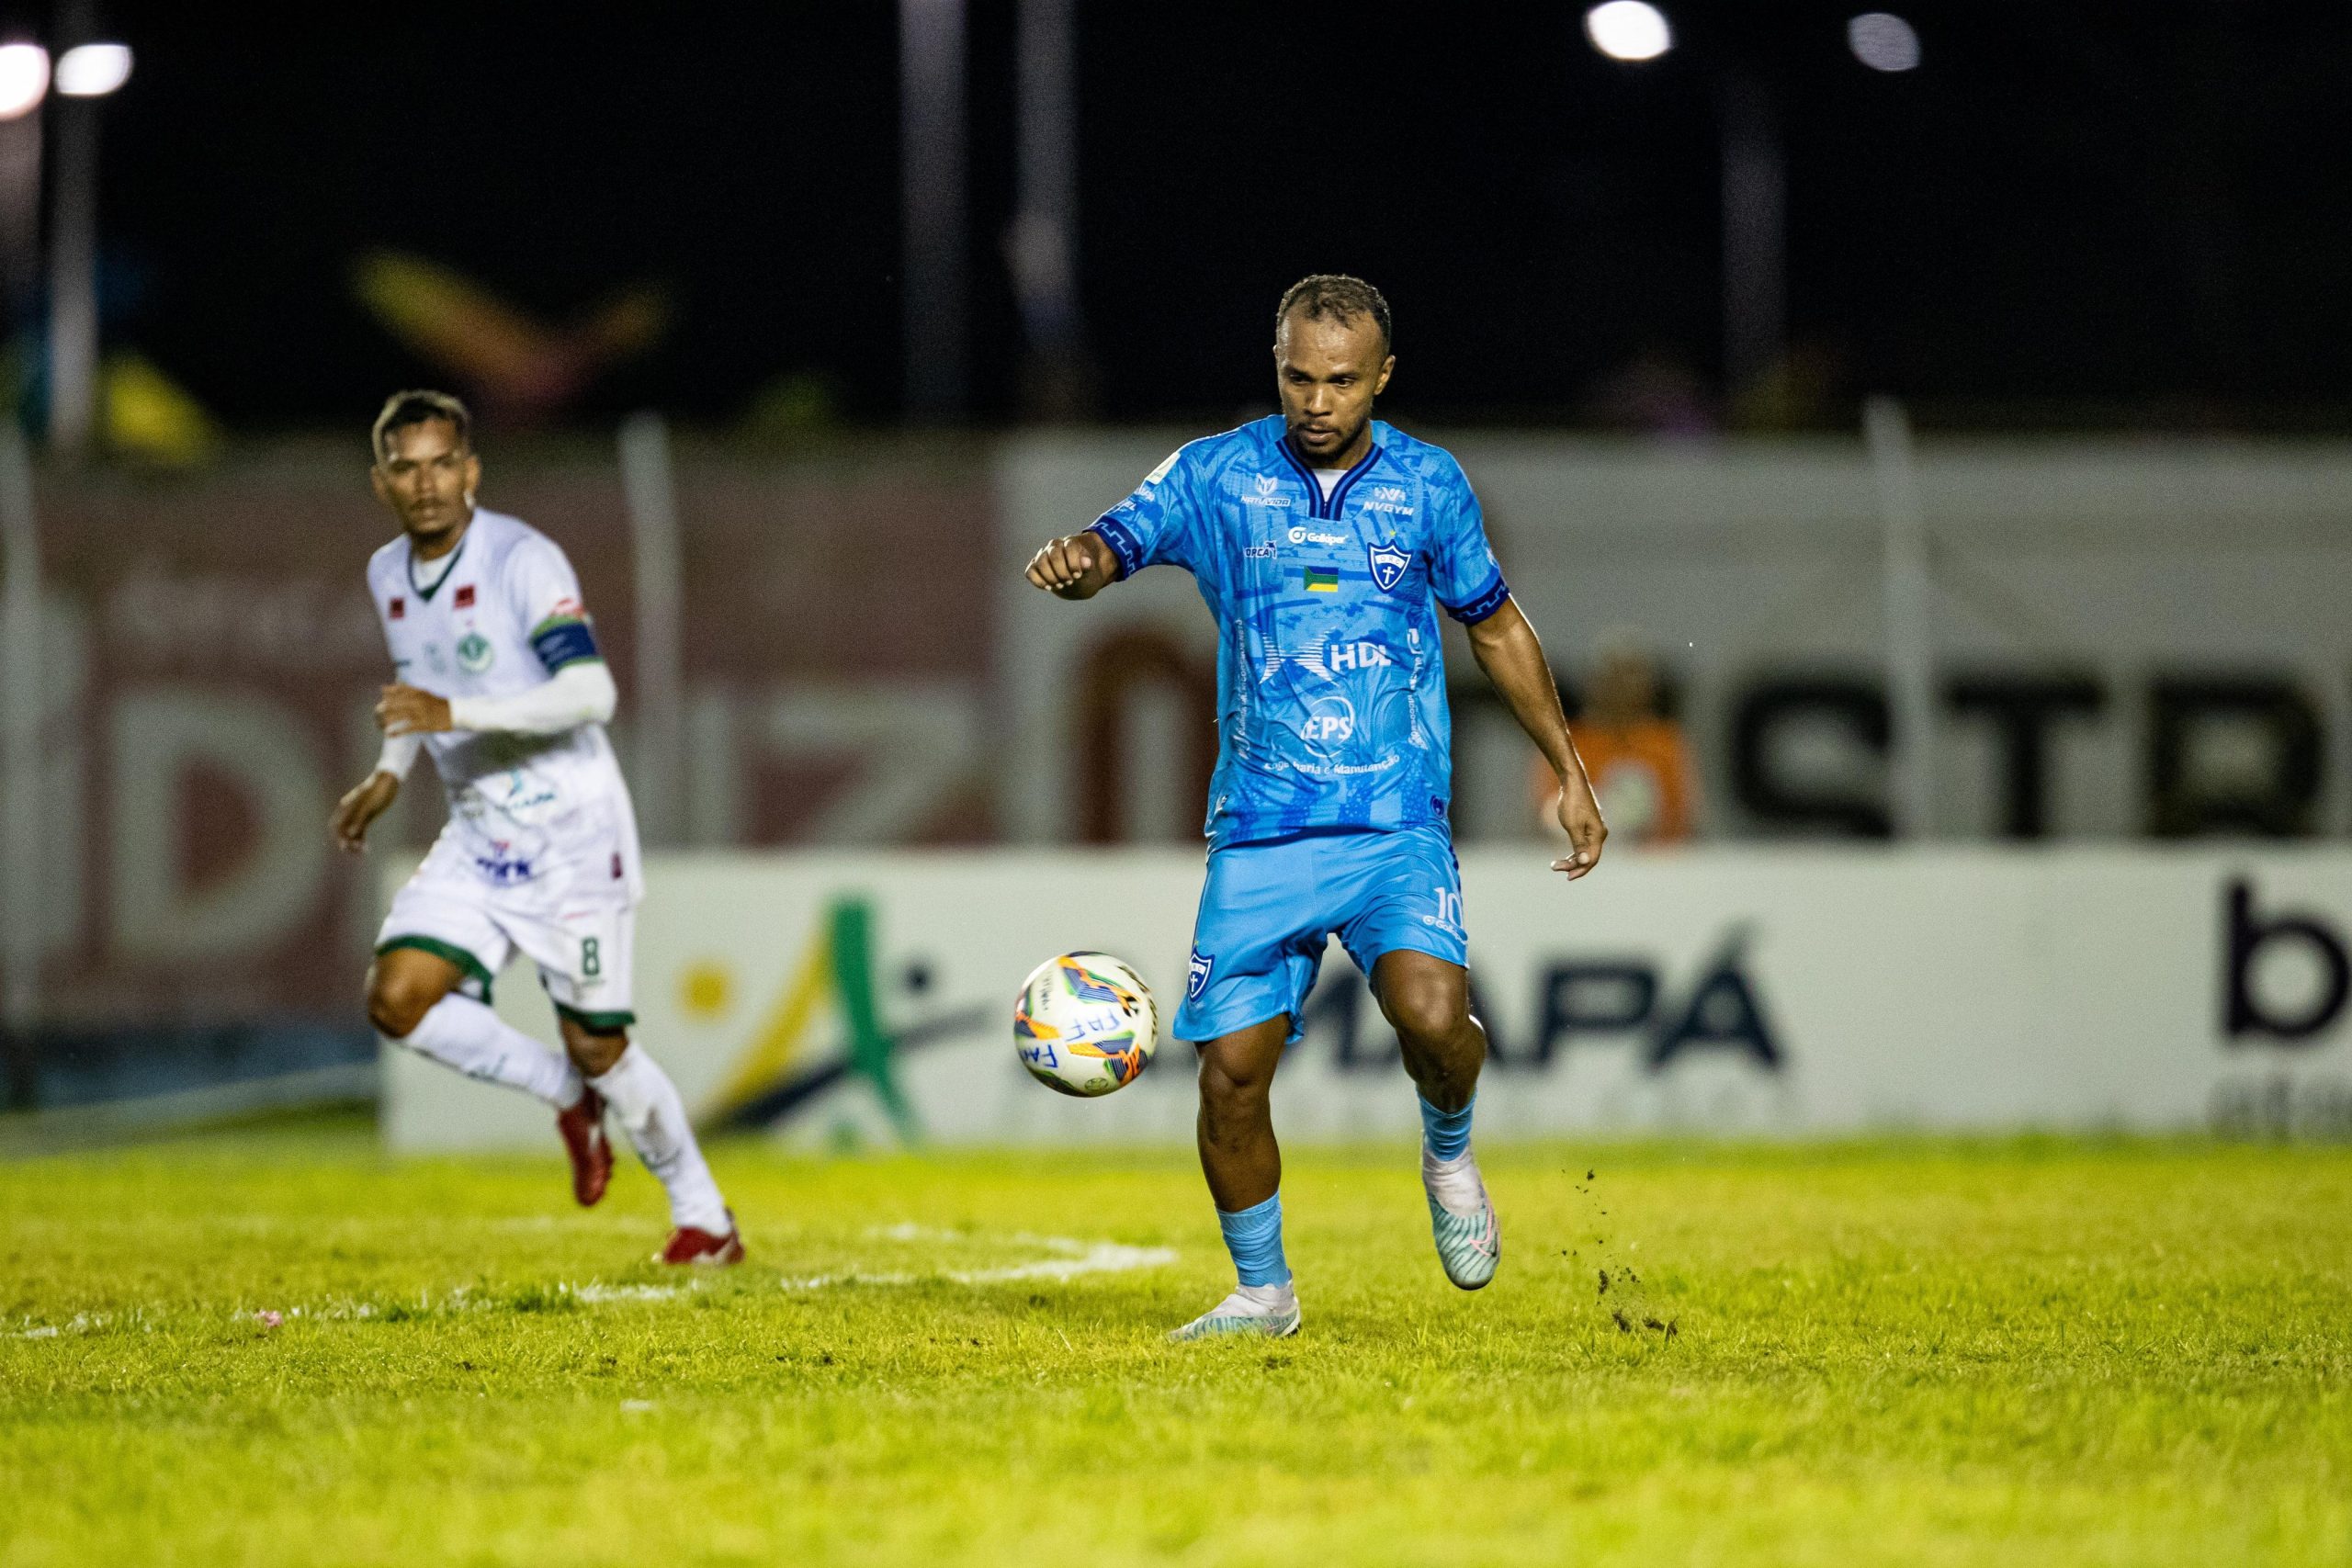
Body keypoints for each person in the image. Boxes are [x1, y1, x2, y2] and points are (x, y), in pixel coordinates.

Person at [1025, 276, 1606, 1339]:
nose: (1317, 400)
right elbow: (1114, 539)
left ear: (1383, 377)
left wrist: (1566, 767)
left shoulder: (1428, 486)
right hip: (1260, 831)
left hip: (1393, 824)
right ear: (1277, 366)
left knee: (1434, 1020)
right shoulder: (1216, 476)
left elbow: (1493, 625)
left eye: (1342, 380)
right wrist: (1079, 564)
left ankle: (1447, 1147)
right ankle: (1264, 1294)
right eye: (1299, 376)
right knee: (1230, 1082)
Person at [330, 389, 741, 1266]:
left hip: (572, 836)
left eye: (445, 462)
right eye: (407, 467)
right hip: (480, 836)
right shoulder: (386, 574)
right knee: (395, 998)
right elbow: (419, 689)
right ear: (381, 483)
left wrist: (455, 709)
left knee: (600, 1042)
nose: (428, 482)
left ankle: (704, 1218)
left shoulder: (522, 559)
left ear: (472, 472)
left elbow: (592, 694)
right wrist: (388, 774)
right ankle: (565, 1095)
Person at [1531, 636, 1698, 845]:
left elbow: (1683, 814)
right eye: (1612, 675)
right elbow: (1548, 812)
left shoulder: (1665, 743)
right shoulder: (1566, 743)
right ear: (1593, 682)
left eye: (1631, 675)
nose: (1621, 686)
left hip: (1657, 864)